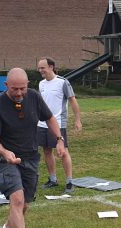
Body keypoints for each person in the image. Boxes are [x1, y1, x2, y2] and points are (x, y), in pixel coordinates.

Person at [0, 68, 64, 228]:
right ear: (6, 86)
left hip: (30, 157)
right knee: (17, 199)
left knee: (24, 205)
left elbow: (50, 118)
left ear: (28, 85)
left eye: (23, 88)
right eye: (15, 89)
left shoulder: (34, 97)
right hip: (6, 159)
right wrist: (5, 153)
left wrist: (59, 139)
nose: (19, 93)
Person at [37, 57, 82, 194]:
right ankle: (53, 179)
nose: (40, 70)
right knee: (46, 151)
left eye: (42, 67)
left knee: (63, 152)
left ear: (51, 67)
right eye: (39, 68)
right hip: (41, 124)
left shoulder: (63, 82)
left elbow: (73, 101)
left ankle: (69, 182)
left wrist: (77, 120)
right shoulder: (41, 84)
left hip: (58, 123)